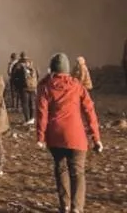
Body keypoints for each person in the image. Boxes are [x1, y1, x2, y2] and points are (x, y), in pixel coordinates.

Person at [37, 52, 103, 213]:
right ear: (67, 69)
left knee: (61, 169)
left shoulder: (46, 86)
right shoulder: (77, 86)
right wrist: (96, 138)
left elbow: (41, 113)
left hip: (55, 135)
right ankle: (77, 208)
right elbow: (89, 111)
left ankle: (64, 206)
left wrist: (40, 136)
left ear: (52, 69)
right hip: (76, 136)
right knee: (78, 172)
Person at [12, 52, 38, 124]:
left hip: (23, 88)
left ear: (20, 56)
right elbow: (37, 74)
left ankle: (27, 120)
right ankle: (32, 119)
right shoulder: (31, 65)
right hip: (33, 87)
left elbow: (14, 76)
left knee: (25, 104)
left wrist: (16, 87)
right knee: (32, 103)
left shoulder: (18, 65)